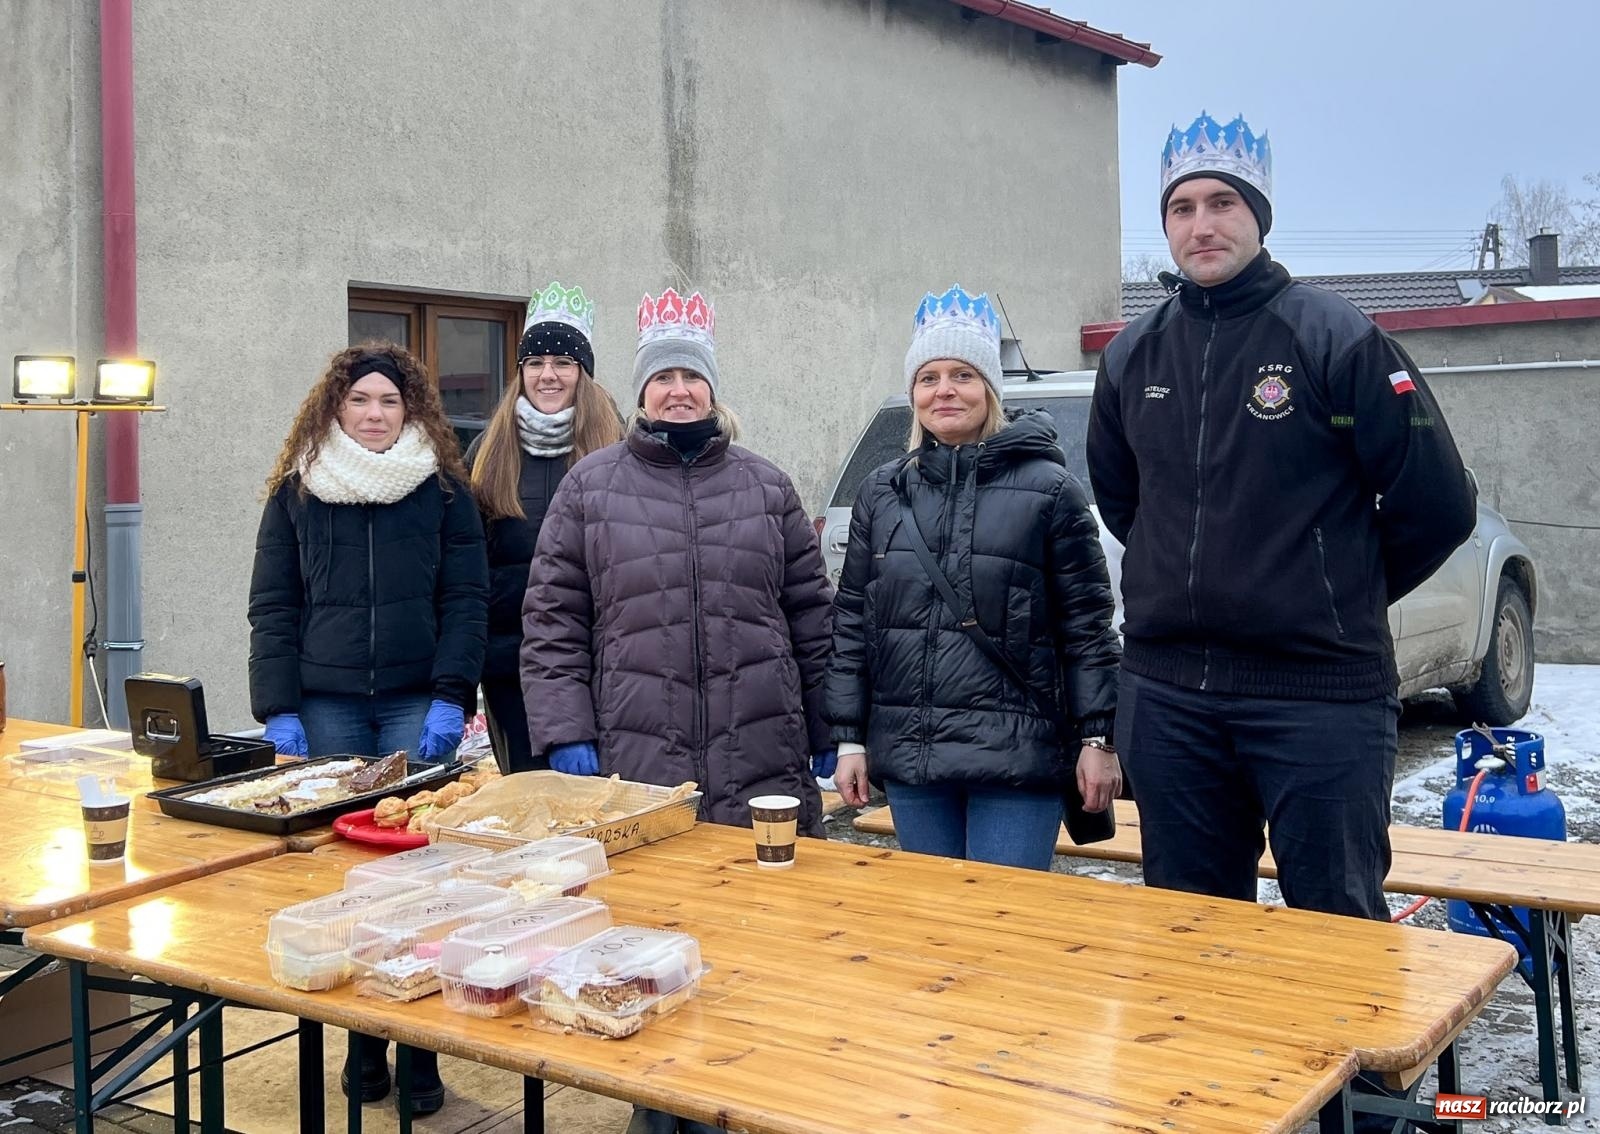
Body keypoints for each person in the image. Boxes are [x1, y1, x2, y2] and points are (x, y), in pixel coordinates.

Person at [1086, 112, 1476, 922]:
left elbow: (1438, 502)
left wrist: (1333, 588)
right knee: (1190, 931)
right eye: (1182, 208)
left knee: (1336, 931)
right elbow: (1126, 503)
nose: (1201, 225)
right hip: (1170, 697)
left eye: (1222, 203)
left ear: (1259, 215)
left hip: (1318, 695)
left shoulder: (1335, 336)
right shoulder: (1132, 356)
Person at [521, 289, 834, 1134]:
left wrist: (828, 725)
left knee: (758, 939)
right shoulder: (590, 488)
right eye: (662, 377)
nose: (678, 391)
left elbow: (812, 614)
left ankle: (745, 1102)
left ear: (712, 388)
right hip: (640, 761)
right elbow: (552, 619)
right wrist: (567, 730)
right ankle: (656, 1108)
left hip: (759, 754)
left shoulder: (765, 486)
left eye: (691, 376)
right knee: (648, 943)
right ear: (641, 391)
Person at [248, 343, 488, 1115]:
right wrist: (278, 710)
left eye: (389, 400)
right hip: (327, 708)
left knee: (422, 885)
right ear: (336, 407)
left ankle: (418, 1054)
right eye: (360, 400)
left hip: (417, 703)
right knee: (344, 888)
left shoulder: (443, 491)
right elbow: (273, 607)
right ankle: (361, 1044)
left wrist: (452, 694)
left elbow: (467, 601)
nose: (375, 413)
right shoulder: (297, 492)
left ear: (410, 409)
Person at [823, 285, 1121, 870]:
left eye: (963, 375)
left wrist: (1097, 739)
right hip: (914, 757)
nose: (945, 390)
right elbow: (854, 624)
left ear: (989, 388)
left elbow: (1087, 630)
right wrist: (850, 737)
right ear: (914, 393)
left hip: (1017, 759)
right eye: (928, 377)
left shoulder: (1050, 490)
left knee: (1003, 918)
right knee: (934, 918)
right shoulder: (882, 493)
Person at [467, 281, 622, 772]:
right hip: (510, 669)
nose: (547, 375)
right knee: (529, 803)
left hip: (603, 667)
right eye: (534, 362)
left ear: (583, 373)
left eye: (562, 363)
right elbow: (468, 567)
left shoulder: (619, 450)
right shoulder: (488, 455)